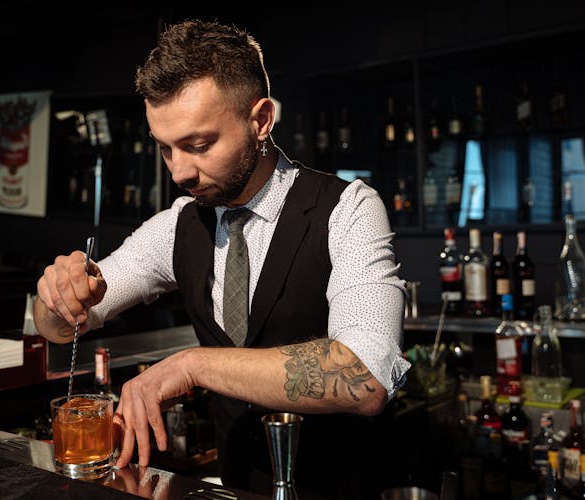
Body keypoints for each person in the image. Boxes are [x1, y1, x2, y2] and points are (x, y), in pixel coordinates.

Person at [35, 19, 410, 498]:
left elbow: (367, 376)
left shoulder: (348, 210)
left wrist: (192, 365)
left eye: (199, 145)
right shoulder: (178, 225)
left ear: (260, 120)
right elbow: (62, 326)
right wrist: (57, 295)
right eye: (165, 149)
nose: (180, 172)